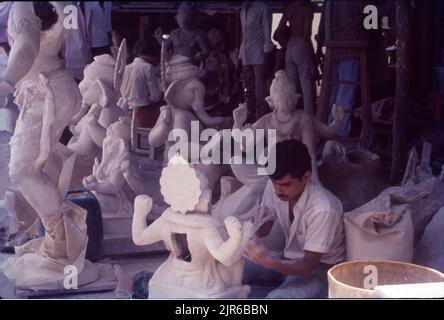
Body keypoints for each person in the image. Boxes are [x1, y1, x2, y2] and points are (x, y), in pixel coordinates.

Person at [243, 139, 346, 298]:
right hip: (289, 258)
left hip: (321, 269)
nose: (278, 190)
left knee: (276, 298)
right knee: (239, 270)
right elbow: (265, 227)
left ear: (306, 177)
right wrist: (252, 229)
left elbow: (308, 267)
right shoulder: (276, 186)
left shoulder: (324, 208)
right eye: (274, 182)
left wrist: (270, 262)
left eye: (285, 184)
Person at [316, 0, 367, 136]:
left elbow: (321, 29)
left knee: (332, 94)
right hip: (351, 51)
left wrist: (319, 50)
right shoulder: (357, 3)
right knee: (345, 94)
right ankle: (340, 132)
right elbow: (373, 23)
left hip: (332, 52)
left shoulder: (329, 3)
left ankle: (327, 127)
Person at [276, 0, 316, 115]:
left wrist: (286, 44)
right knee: (306, 83)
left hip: (290, 46)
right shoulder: (307, 9)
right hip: (301, 44)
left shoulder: (289, 7)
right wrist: (312, 59)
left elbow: (278, 32)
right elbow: (307, 36)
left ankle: (292, 117)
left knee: (293, 87)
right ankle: (309, 117)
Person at [120, 42, 162, 145]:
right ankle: (156, 143)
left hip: (124, 111)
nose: (156, 61)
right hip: (142, 114)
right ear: (149, 56)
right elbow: (155, 96)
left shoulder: (125, 68)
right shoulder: (148, 67)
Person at [239, 1, 274, 123]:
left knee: (260, 89)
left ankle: (262, 118)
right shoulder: (243, 10)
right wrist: (240, 56)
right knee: (248, 88)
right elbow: (244, 36)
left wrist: (267, 54)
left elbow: (267, 32)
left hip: (259, 54)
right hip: (246, 55)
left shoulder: (263, 7)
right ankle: (250, 117)